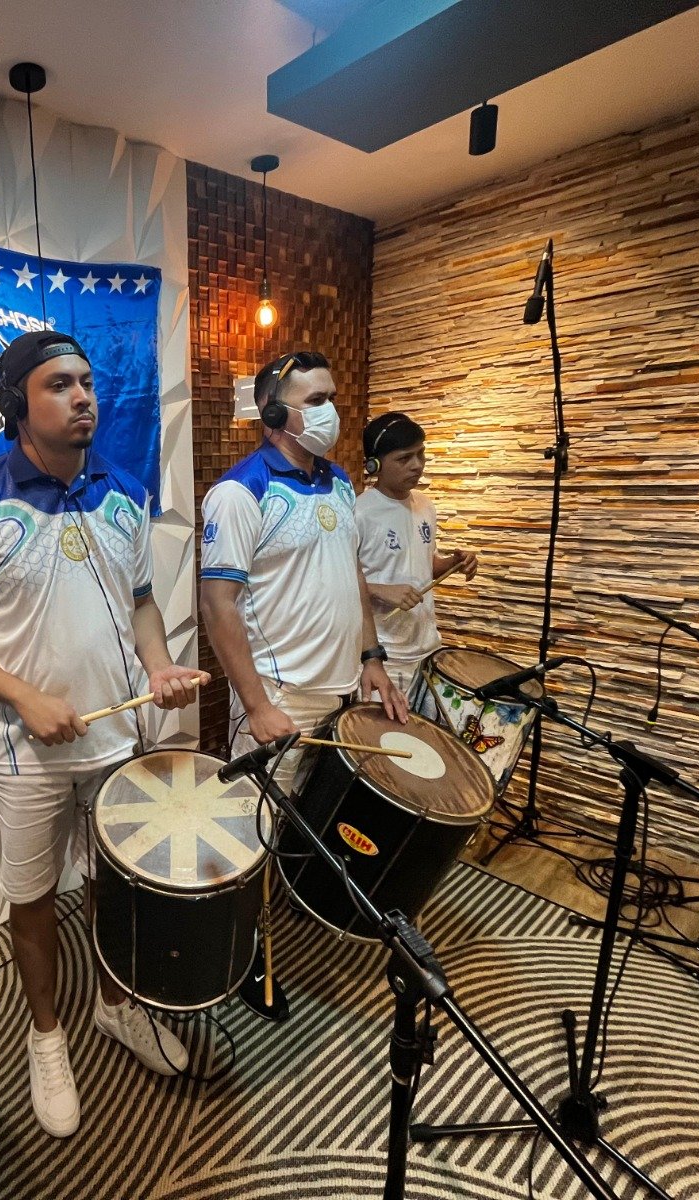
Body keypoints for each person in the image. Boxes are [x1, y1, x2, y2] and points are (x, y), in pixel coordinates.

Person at [0, 329, 206, 1138]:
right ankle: (46, 1036)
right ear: (17, 403)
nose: (83, 397)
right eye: (59, 385)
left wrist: (158, 666)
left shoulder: (126, 492)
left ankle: (116, 1005)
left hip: (117, 740)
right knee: (34, 896)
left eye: (87, 382)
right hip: (25, 752)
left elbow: (141, 603)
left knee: (116, 883)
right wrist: (24, 697)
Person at [198, 349, 405, 1021]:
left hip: (343, 688)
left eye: (331, 397)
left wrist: (372, 656)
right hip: (278, 699)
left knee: (312, 816)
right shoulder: (240, 494)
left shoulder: (340, 483)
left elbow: (352, 576)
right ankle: (240, 951)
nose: (331, 411)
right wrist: (255, 705)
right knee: (249, 832)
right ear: (273, 413)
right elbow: (218, 606)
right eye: (315, 400)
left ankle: (294, 905)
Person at [355, 411, 479, 698]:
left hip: (428, 647)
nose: (417, 465)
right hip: (384, 654)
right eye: (404, 458)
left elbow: (423, 564)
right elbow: (336, 583)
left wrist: (453, 563)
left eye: (420, 454)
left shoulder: (425, 506)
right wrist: (379, 590)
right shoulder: (359, 513)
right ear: (375, 465)